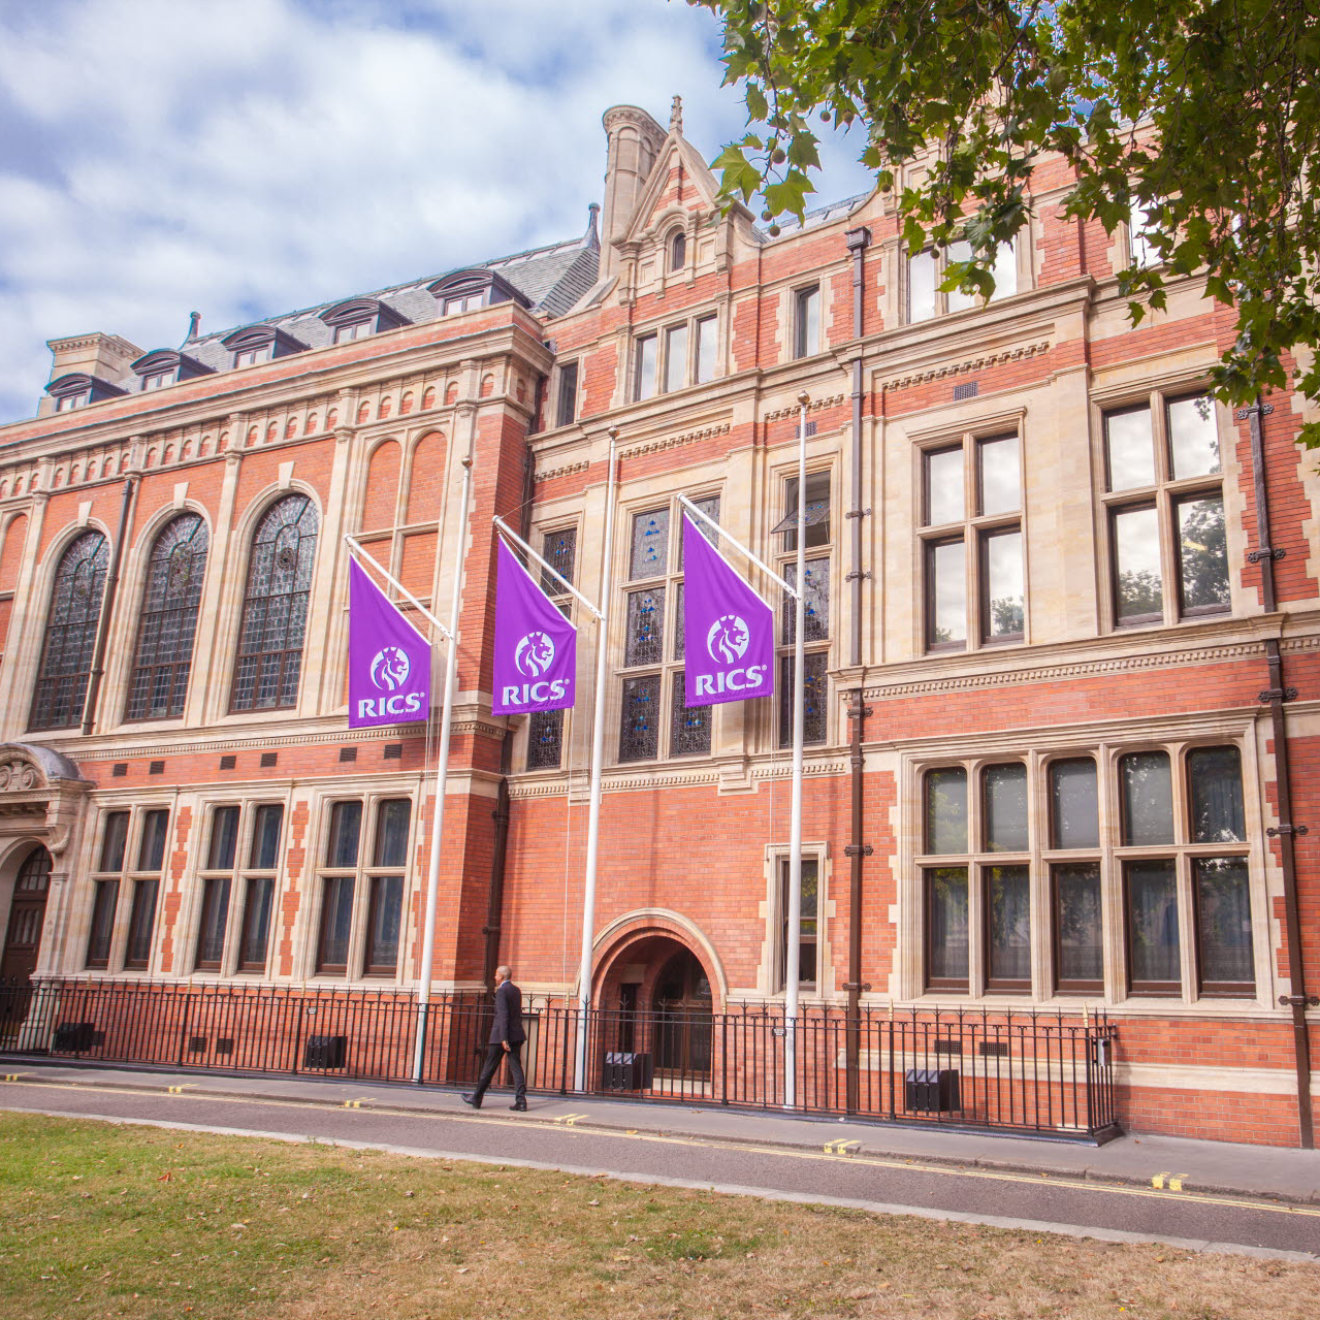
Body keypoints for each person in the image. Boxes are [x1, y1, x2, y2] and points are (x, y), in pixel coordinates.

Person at [461, 965, 527, 1111]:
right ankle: (521, 1101)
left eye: (496, 975)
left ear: (502, 977)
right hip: (517, 1034)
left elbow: (503, 1015)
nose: (494, 977)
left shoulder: (502, 991)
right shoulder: (516, 990)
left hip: (501, 1037)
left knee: (489, 1068)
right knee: (516, 1068)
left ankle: (476, 1098)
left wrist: (504, 1038)